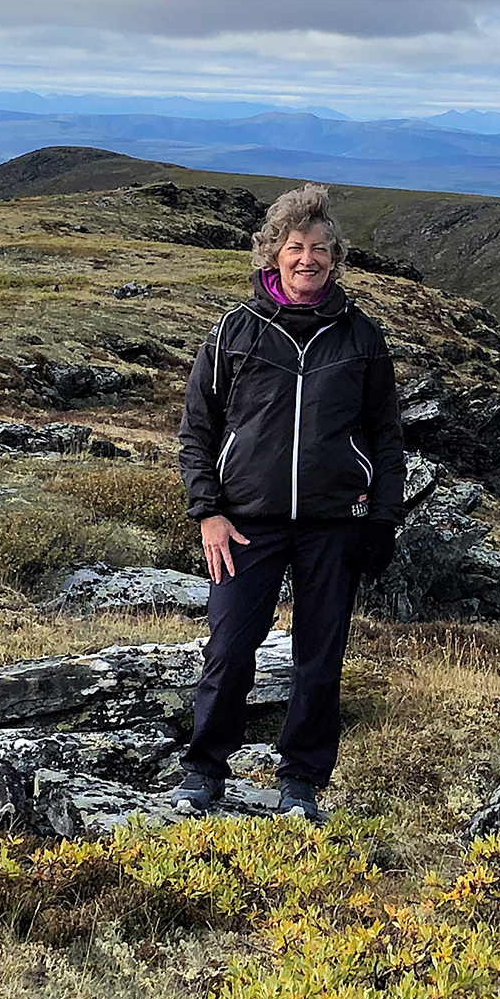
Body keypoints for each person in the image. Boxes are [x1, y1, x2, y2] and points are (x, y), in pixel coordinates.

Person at [171, 183, 405, 821]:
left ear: (336, 258)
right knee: (227, 649)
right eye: (296, 247)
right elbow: (198, 430)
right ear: (271, 254)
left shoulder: (362, 337)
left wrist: (381, 521)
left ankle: (302, 780)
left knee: (318, 659)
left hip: (334, 526)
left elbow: (386, 437)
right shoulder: (233, 334)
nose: (309, 259)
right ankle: (204, 770)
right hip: (245, 524)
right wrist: (208, 512)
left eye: (322, 249)